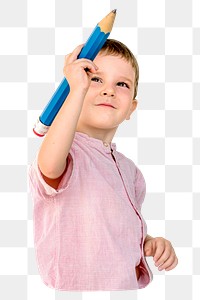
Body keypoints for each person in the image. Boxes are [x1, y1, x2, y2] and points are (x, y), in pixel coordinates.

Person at [29, 39, 178, 291]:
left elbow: (114, 233)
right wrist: (76, 89)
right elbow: (51, 166)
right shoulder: (66, 151)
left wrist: (148, 242)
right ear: (70, 92)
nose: (109, 90)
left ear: (131, 107)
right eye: (95, 79)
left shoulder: (130, 172)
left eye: (122, 84)